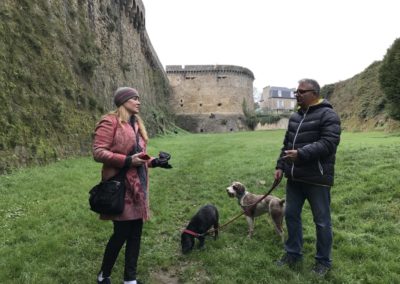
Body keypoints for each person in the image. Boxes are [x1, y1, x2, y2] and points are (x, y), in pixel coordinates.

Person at [92, 87, 172, 284]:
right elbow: (98, 152)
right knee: (121, 234)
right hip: (120, 187)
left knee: (135, 234)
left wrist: (155, 162)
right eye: (134, 98)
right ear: (123, 100)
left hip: (138, 188)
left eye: (139, 98)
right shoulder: (109, 121)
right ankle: (104, 275)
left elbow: (139, 157)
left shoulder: (136, 124)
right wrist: (127, 161)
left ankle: (130, 280)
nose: (139, 102)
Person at [274, 79, 341, 276]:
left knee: (322, 222)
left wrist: (301, 154)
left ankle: (323, 262)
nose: (297, 95)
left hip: (317, 179)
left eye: (301, 92)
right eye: (296, 91)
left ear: (314, 93)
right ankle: (293, 254)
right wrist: (280, 165)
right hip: (294, 178)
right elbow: (286, 143)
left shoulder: (329, 115)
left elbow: (329, 143)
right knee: (291, 215)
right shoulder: (295, 117)